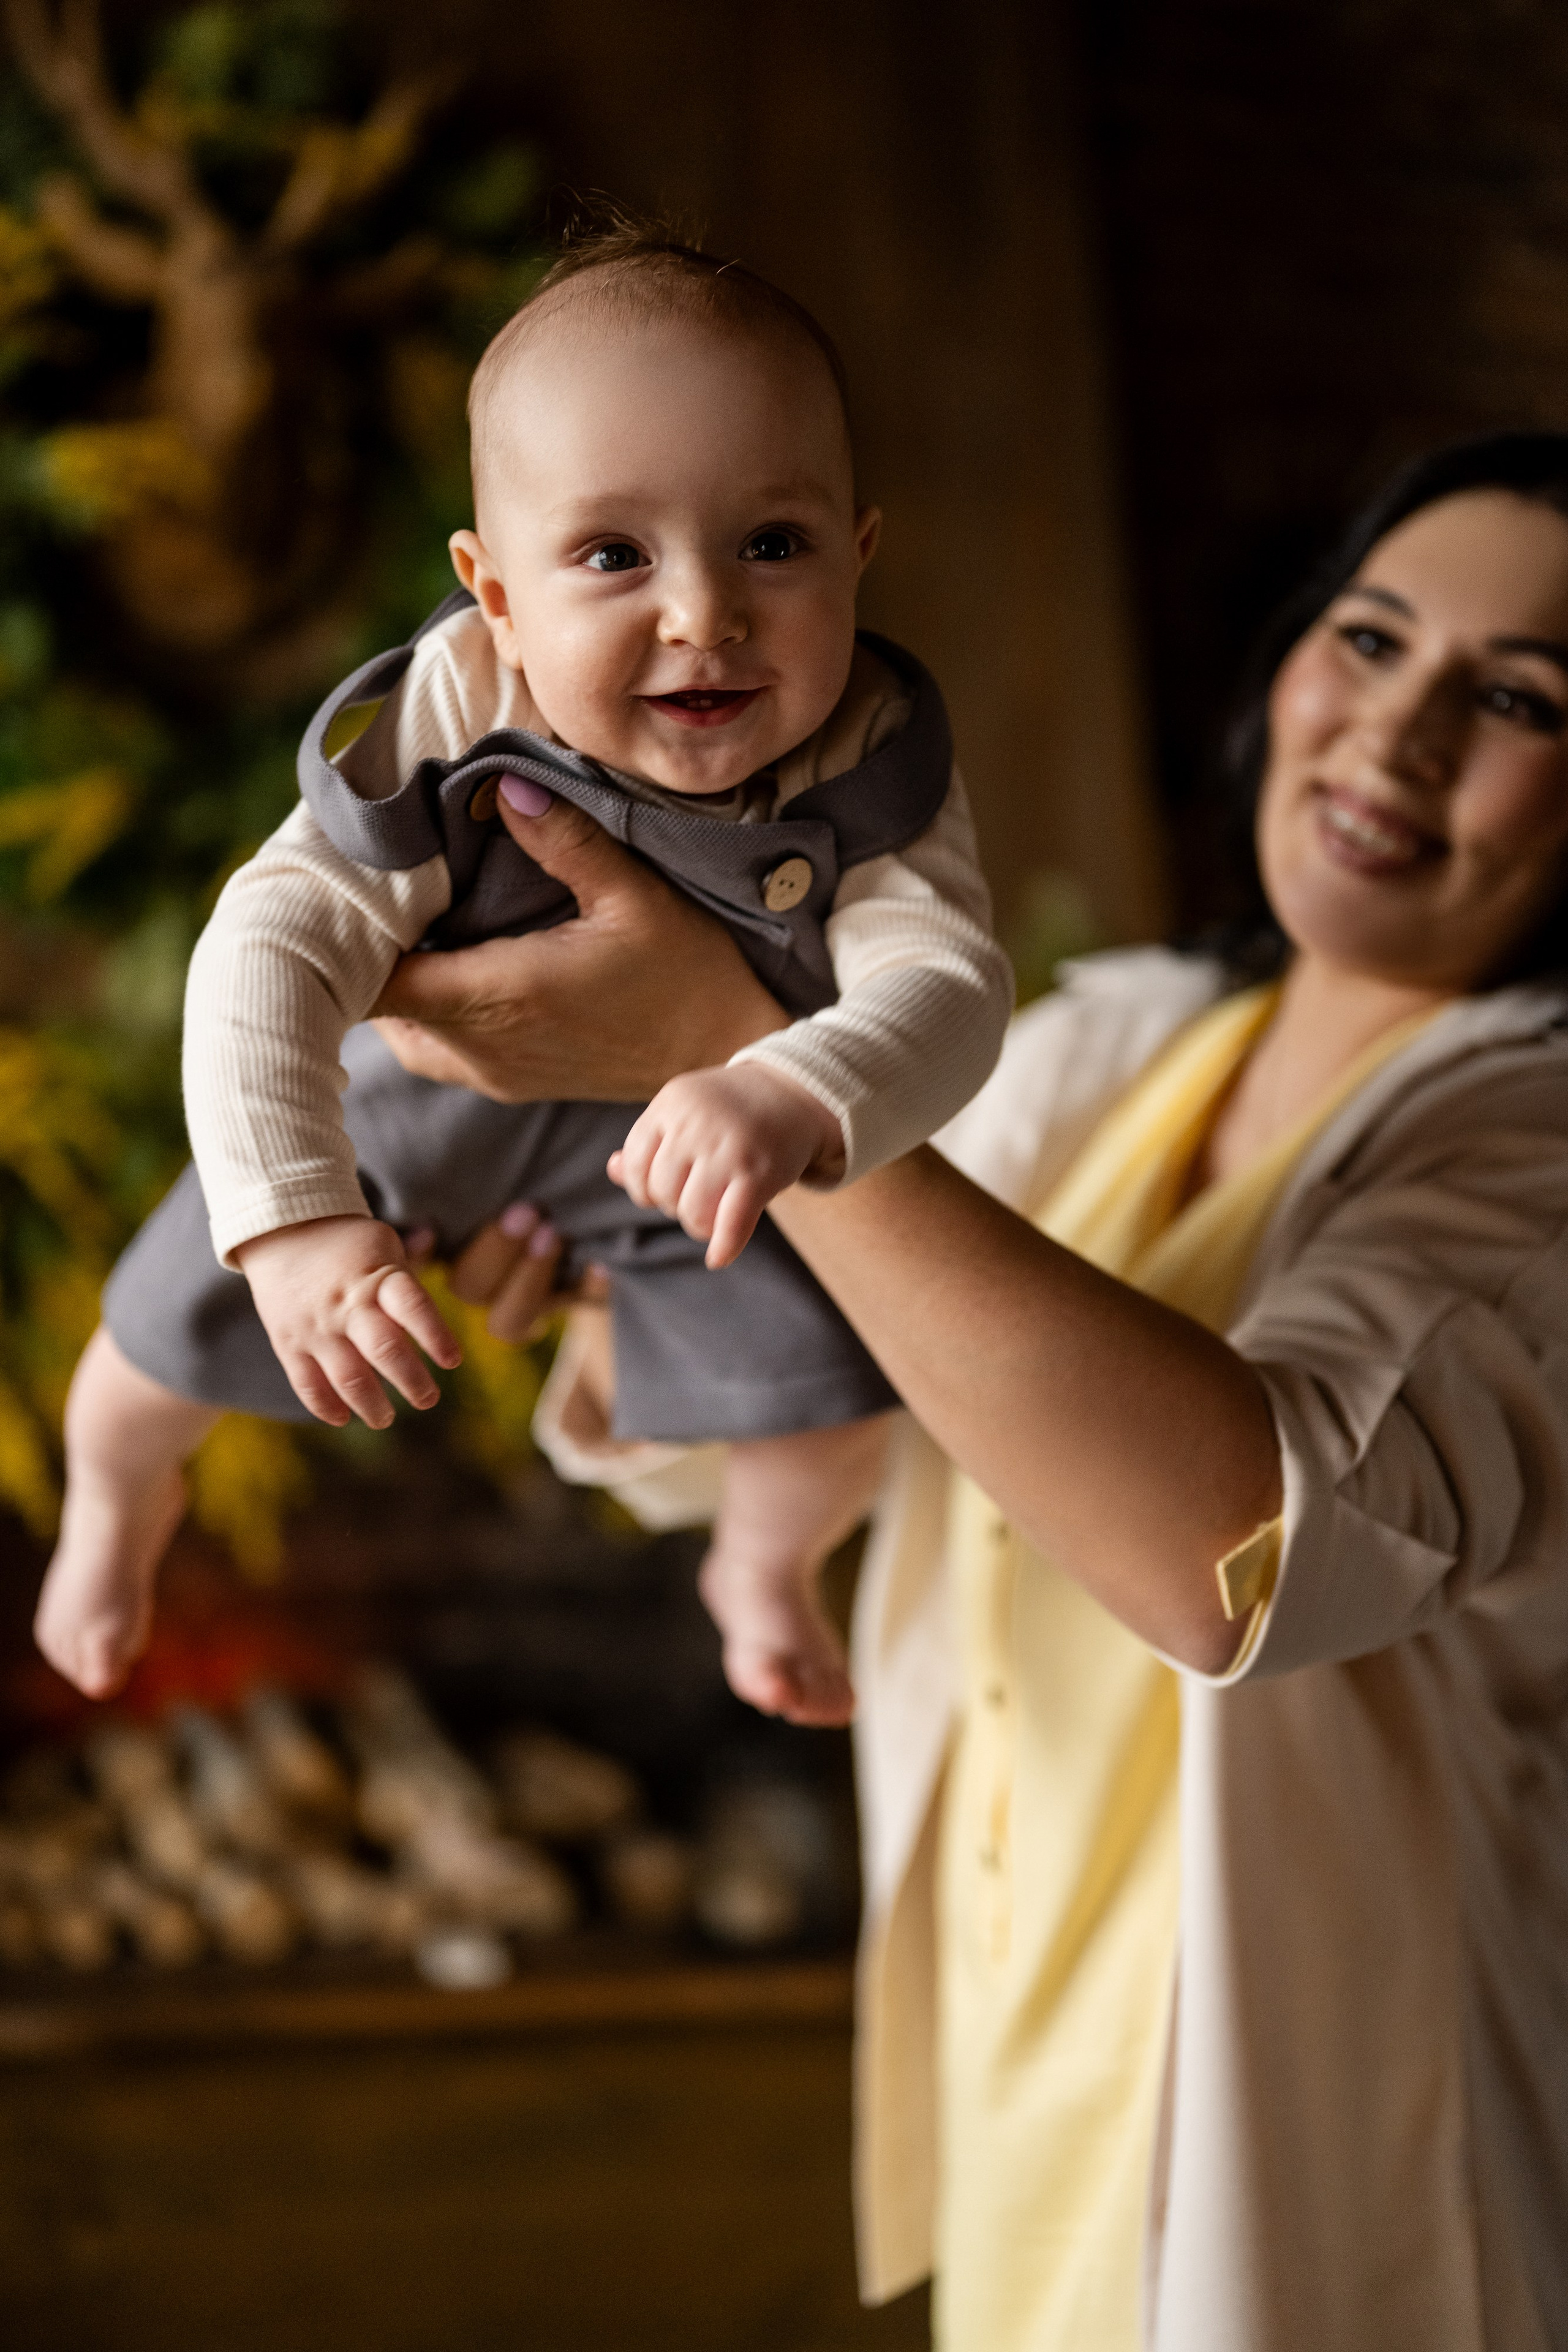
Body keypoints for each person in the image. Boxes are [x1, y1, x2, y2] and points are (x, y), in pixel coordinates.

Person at [337, 431, 1568, 2349]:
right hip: (1032, 2086)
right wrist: (619, 1273)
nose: (1392, 741)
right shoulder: (1127, 1036)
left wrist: (746, 1058)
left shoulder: (1533, 1139)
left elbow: (1244, 1549)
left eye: (1512, 699)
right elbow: (861, 1366)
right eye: (1372, 639)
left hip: (1314, 2164)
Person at [33, 223, 1012, 1718]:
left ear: (857, 554)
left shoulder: (868, 756)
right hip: (419, 1106)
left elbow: (944, 988)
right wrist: (295, 1223)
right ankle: (115, 1500)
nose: (705, 613)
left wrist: (793, 1088)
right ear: (493, 596)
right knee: (155, 1333)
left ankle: (758, 1567)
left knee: (836, 1405)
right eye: (613, 555)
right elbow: (270, 940)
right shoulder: (458, 705)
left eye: (773, 544)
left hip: (703, 1151)